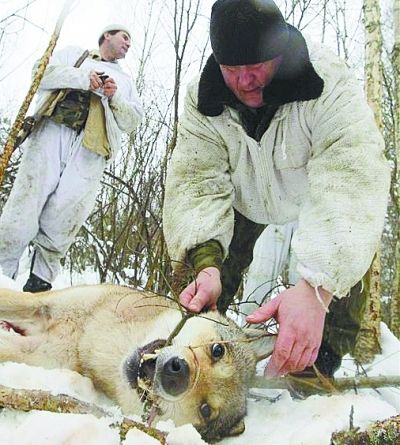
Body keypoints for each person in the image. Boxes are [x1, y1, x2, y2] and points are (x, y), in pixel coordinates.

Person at [163, 0, 390, 379]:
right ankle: (191, 356)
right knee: (198, 283)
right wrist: (206, 263)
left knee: (344, 261)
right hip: (243, 198)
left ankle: (318, 365)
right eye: (232, 69)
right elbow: (197, 180)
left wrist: (317, 289)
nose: (244, 81)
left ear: (280, 54)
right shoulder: (202, 100)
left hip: (312, 195)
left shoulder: (328, 82)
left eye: (256, 66)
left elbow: (350, 178)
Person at [0, 24, 143, 292]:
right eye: (125, 36)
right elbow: (39, 75)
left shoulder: (126, 82)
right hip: (51, 134)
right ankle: (1, 274)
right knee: (25, 203)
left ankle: (39, 286)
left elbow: (132, 121)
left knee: (65, 215)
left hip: (91, 149)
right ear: (107, 35)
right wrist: (82, 78)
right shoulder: (74, 55)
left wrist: (114, 97)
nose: (128, 43)